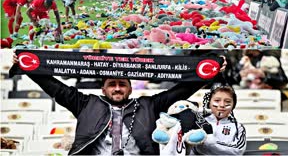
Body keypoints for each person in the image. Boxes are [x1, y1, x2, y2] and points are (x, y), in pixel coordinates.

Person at [11, 52, 227, 155]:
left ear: (130, 88)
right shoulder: (86, 103)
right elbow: (55, 88)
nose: (116, 88)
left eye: (122, 84)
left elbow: (182, 89)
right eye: (111, 84)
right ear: (103, 89)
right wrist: (27, 66)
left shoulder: (148, 105)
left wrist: (209, 71)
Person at [191, 84, 246, 155]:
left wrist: (209, 142)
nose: (222, 105)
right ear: (209, 103)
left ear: (233, 105)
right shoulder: (197, 121)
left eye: (227, 101)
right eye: (217, 100)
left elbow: (238, 150)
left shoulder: (238, 127)